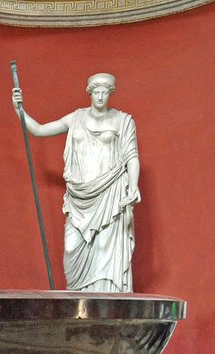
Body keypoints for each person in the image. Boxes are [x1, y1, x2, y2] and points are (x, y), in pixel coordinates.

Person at [12, 73, 140, 292]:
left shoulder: (123, 121)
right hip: (79, 198)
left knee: (104, 251)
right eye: (96, 92)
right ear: (89, 92)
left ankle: (105, 308)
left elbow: (132, 156)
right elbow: (40, 130)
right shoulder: (76, 119)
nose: (100, 97)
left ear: (111, 93)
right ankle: (79, 306)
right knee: (72, 249)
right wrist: (19, 111)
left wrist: (134, 185)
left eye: (105, 92)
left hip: (110, 193)